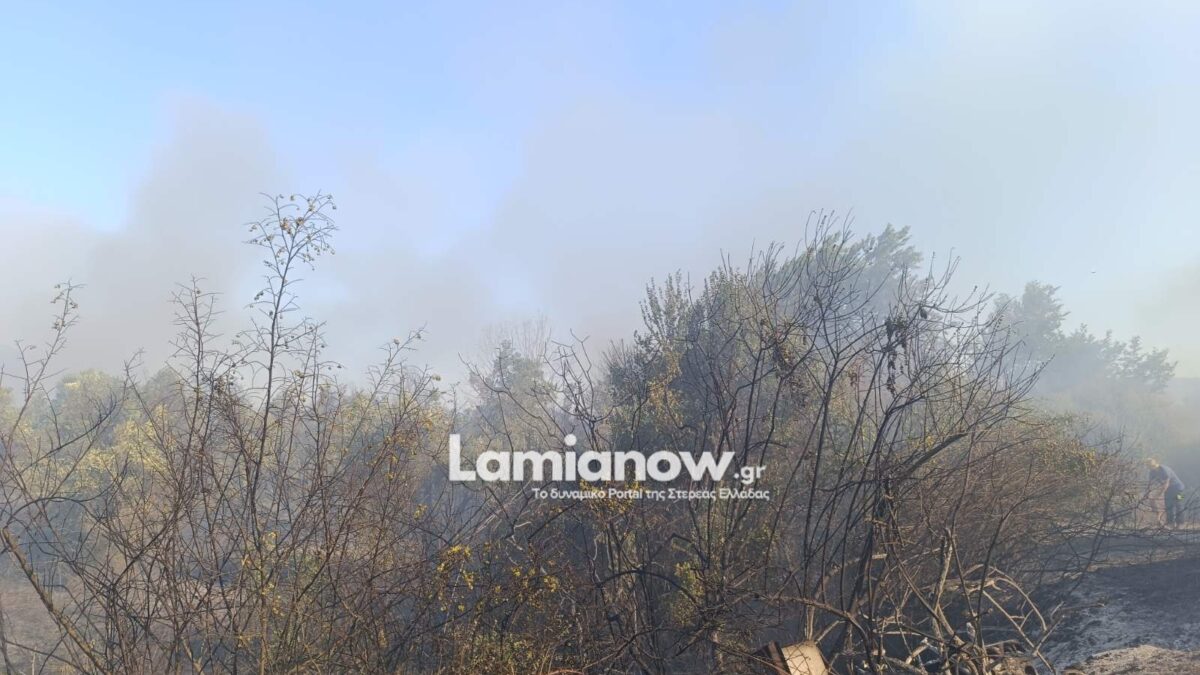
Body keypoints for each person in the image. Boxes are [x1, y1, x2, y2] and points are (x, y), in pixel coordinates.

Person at [1146, 458, 1185, 527]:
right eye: (1149, 466)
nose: (1150, 468)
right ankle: (1170, 523)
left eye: (1151, 466)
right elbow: (1150, 484)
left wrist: (1159, 494)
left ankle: (1180, 523)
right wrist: (1147, 494)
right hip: (1168, 490)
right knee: (1168, 505)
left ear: (1155, 463)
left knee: (1178, 504)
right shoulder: (1152, 472)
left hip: (1179, 489)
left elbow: (1166, 484)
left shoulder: (1165, 469)